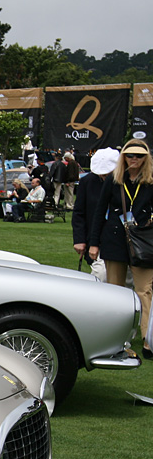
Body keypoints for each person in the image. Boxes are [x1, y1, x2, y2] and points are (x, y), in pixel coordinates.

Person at [89, 138, 153, 358]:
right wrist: (93, 243)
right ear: (123, 156)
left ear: (146, 158)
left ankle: (147, 340)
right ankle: (118, 340)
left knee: (144, 291)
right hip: (114, 239)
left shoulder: (150, 181)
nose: (134, 159)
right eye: (130, 155)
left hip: (143, 241)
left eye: (139, 156)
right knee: (116, 293)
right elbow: (99, 212)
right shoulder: (115, 180)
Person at [72, 148, 119, 269]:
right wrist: (79, 239)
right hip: (96, 237)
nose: (104, 177)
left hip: (120, 238)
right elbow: (79, 212)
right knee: (101, 273)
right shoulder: (87, 182)